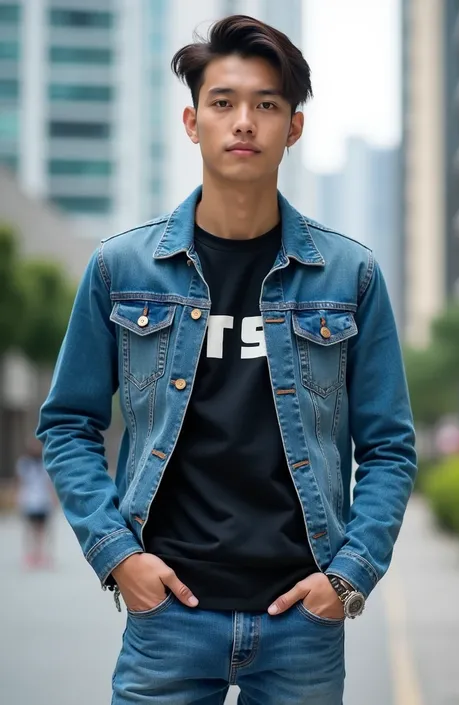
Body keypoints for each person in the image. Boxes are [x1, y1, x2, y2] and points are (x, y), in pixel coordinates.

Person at [37, 14, 417, 705]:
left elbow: (389, 445)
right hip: (169, 619)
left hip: (302, 620)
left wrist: (348, 576)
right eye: (223, 102)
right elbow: (67, 424)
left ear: (293, 127)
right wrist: (119, 557)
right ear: (192, 122)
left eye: (267, 104)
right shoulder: (121, 267)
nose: (244, 121)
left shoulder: (350, 275)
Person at [15, 437, 55, 569]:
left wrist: (53, 499)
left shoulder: (45, 464)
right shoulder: (24, 464)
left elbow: (49, 483)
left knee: (43, 530)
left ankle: (42, 554)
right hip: (29, 500)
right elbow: (20, 482)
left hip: (43, 501)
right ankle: (31, 554)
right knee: (30, 529)